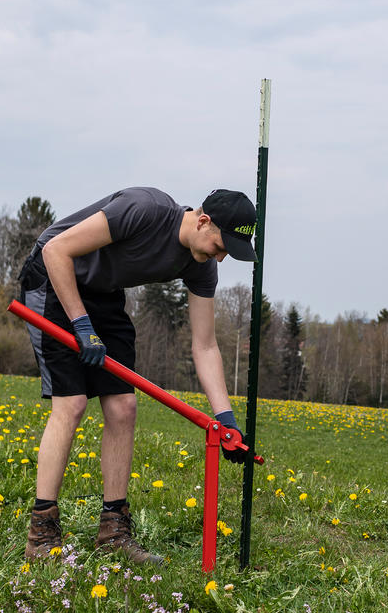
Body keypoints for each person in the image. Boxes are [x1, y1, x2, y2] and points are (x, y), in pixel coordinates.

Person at [17, 186, 257, 564]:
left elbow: (205, 345)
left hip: (103, 293)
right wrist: (82, 325)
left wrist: (224, 418)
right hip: (53, 277)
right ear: (203, 221)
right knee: (73, 403)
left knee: (124, 407)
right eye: (220, 246)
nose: (221, 257)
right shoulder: (144, 209)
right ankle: (41, 535)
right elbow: (55, 250)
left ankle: (113, 532)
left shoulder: (201, 265)